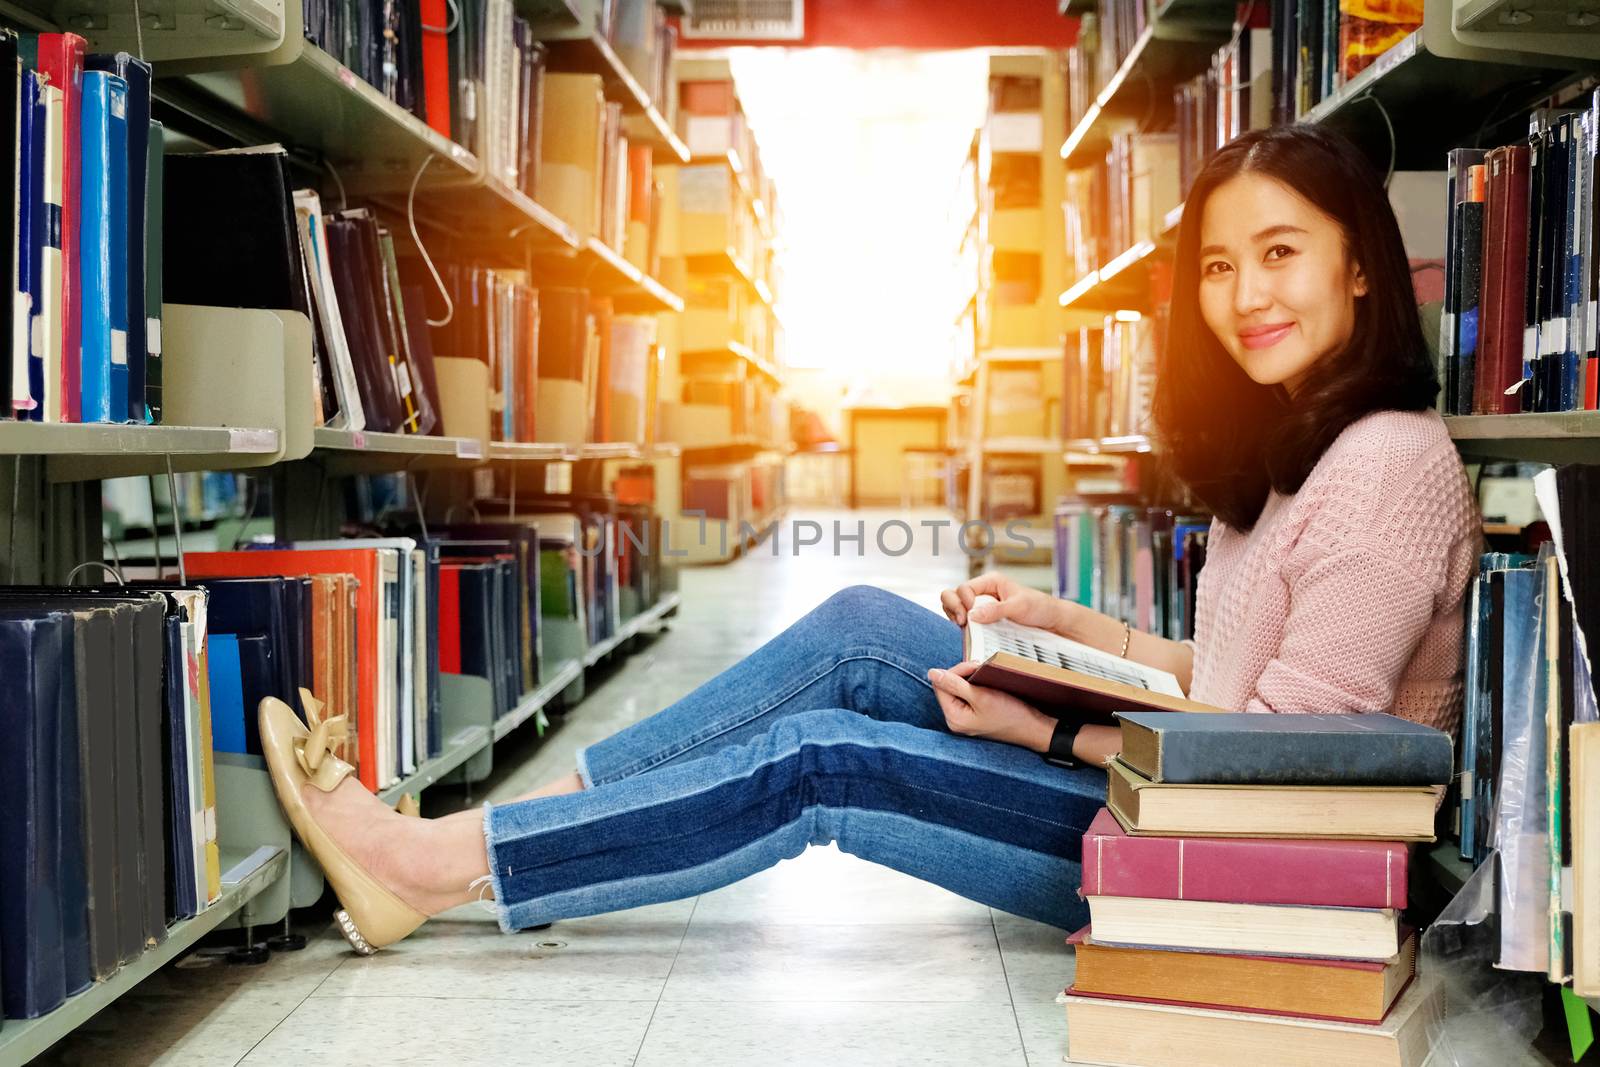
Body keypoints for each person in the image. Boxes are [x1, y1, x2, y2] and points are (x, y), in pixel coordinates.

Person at [259, 123, 1481, 955]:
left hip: (1256, 872)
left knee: (821, 762)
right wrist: (1070, 630)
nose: (1246, 296)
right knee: (856, 629)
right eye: (1217, 266)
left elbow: (1283, 762)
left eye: (1281, 254)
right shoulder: (1292, 444)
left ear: (1359, 265)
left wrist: (1050, 721)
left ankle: (431, 868)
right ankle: (482, 841)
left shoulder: (1386, 461)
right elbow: (1225, 674)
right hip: (1180, 799)